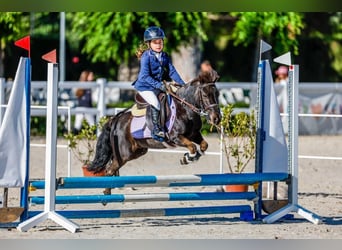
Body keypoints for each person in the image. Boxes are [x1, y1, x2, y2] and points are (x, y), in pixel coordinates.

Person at [133, 26, 185, 141]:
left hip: (156, 85)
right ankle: (156, 130)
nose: (158, 44)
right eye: (155, 42)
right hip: (145, 86)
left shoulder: (165, 56)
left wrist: (182, 84)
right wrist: (160, 85)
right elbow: (145, 76)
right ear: (149, 44)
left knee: (171, 99)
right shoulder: (146, 57)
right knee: (155, 103)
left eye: (160, 42)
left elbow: (171, 71)